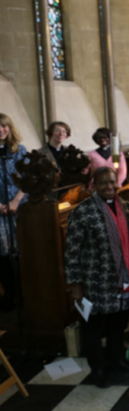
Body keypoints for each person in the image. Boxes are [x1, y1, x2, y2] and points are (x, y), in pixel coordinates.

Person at [65, 167, 129, 388]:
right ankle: (97, 367)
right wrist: (76, 285)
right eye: (103, 183)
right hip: (94, 281)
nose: (109, 187)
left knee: (118, 324)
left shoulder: (124, 206)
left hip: (121, 277)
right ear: (94, 186)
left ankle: (116, 359)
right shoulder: (83, 211)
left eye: (112, 182)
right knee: (94, 327)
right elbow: (71, 251)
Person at [0, 114, 27, 311]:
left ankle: (26, 296)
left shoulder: (19, 151)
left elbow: (27, 179)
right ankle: (9, 296)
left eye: (4, 126)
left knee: (21, 253)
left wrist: (15, 201)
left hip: (19, 208)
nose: (1, 130)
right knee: (2, 257)